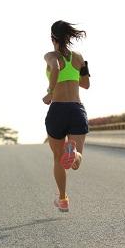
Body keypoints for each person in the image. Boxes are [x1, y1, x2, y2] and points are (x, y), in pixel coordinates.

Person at [43, 20, 90, 212]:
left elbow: (55, 68)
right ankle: (75, 152)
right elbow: (86, 84)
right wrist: (73, 76)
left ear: (52, 37)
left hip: (57, 110)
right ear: (69, 37)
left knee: (57, 158)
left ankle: (63, 199)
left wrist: (50, 90)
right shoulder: (79, 57)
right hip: (76, 110)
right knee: (76, 162)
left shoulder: (50, 55)